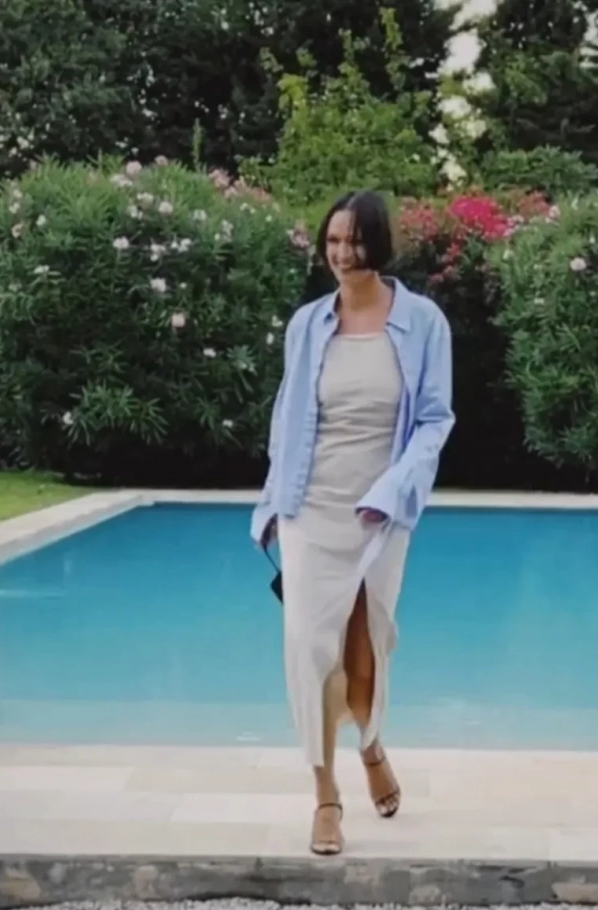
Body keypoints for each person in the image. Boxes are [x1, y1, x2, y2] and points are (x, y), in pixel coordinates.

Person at [250, 189, 454, 856]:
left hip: (380, 511)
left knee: (365, 650)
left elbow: (434, 420)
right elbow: (286, 418)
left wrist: (394, 490)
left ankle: (370, 745)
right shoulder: (307, 324)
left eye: (355, 240)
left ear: (379, 244)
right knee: (309, 648)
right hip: (311, 505)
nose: (342, 253)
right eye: (333, 241)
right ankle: (326, 795)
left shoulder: (423, 322)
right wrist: (271, 503)